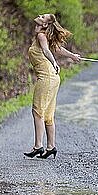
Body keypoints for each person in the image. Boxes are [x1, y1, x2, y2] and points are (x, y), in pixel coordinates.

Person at [24, 13, 81, 159]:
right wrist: (72, 56)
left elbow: (47, 51)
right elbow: (57, 49)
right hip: (52, 78)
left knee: (37, 112)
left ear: (44, 25)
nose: (39, 15)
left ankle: (38, 146)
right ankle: (51, 147)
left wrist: (54, 62)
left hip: (47, 77)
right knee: (48, 115)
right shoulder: (44, 37)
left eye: (43, 17)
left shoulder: (41, 36)